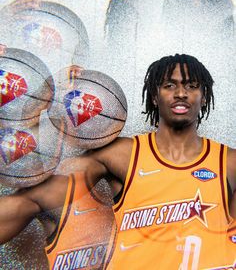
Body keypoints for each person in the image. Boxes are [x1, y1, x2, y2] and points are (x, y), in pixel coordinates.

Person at [0, 54, 235, 269]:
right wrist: (44, 103)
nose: (181, 93)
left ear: (204, 97)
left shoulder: (230, 163)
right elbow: (31, 200)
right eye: (169, 85)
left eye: (192, 86)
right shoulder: (122, 155)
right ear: (154, 97)